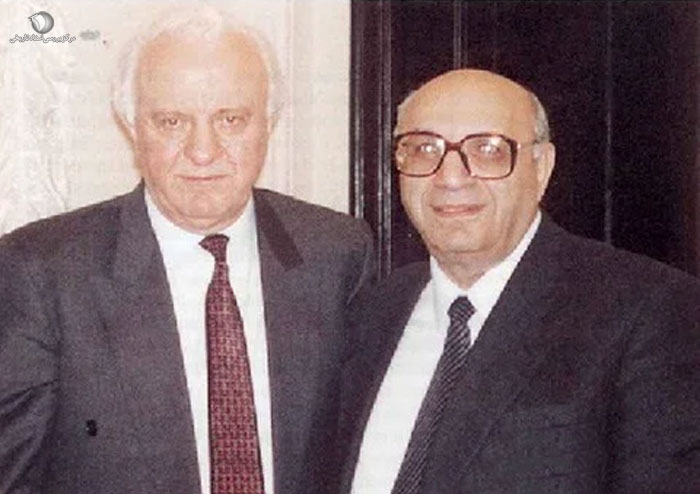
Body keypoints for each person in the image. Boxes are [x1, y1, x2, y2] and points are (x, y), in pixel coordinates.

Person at [0, 6, 374, 494]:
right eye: (172, 121)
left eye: (231, 119)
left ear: (269, 122)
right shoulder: (42, 271)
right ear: (132, 127)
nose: (203, 151)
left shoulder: (337, 254)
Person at [338, 69, 700, 494]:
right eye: (422, 148)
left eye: (488, 150)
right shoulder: (375, 310)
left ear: (541, 167)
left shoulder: (644, 311)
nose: (450, 177)